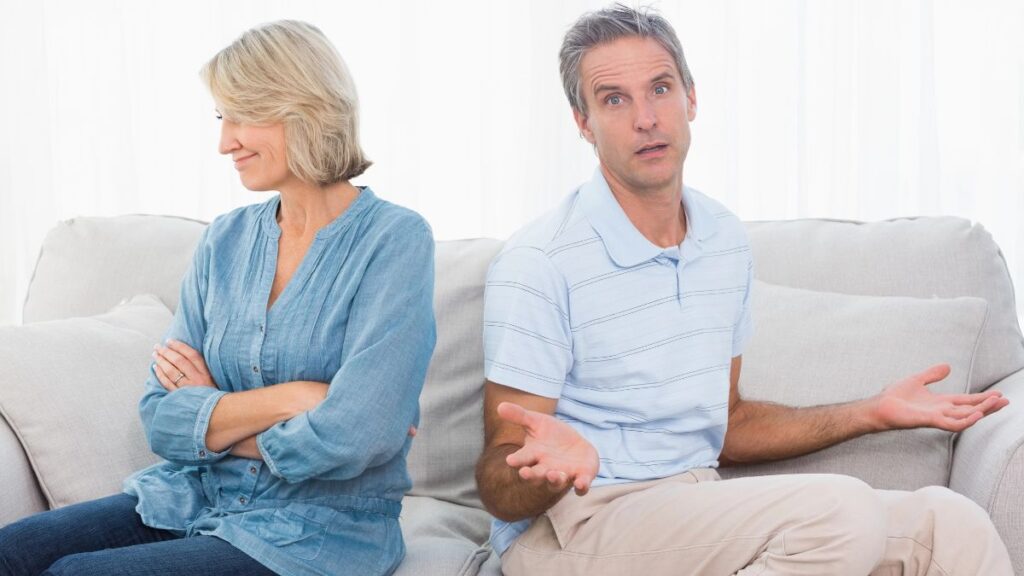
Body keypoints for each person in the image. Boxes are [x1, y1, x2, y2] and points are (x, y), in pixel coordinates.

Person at [475, 4, 1014, 575]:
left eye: (660, 89)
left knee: (949, 524)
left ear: (691, 98)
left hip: (691, 505)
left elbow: (727, 423)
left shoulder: (722, 238)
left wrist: (872, 412)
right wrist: (544, 472)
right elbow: (499, 477)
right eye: (614, 99)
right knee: (841, 511)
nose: (646, 118)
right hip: (576, 523)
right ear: (582, 122)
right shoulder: (541, 260)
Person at [0, 20, 435, 576]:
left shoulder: (394, 241)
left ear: (304, 108)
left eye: (241, 116)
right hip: (191, 496)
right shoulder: (225, 240)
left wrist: (216, 416)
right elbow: (162, 418)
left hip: (320, 529)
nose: (224, 142)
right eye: (220, 118)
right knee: (12, 551)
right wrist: (296, 397)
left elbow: (356, 437)